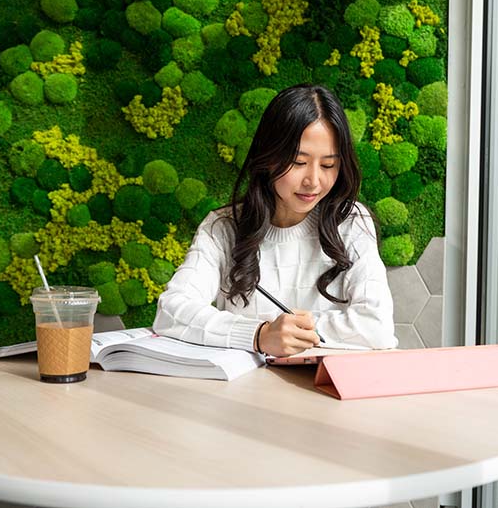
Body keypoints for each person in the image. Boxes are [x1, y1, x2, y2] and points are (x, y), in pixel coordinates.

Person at [152, 84, 397, 357]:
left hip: (325, 394)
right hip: (244, 394)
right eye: (298, 162)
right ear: (268, 157)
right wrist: (260, 335)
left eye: (328, 165)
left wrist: (293, 331)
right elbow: (171, 311)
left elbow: (378, 327)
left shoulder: (351, 223)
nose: (313, 181)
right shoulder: (222, 227)